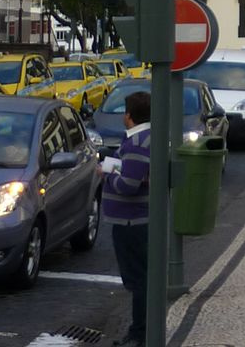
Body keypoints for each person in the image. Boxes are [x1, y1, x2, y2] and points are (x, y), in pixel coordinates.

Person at [102, 89, 152, 346]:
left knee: (137, 281)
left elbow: (127, 186)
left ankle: (139, 334)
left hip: (131, 222)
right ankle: (142, 331)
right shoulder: (145, 138)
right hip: (137, 220)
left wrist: (107, 174)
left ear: (129, 115)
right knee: (141, 278)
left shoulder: (137, 143)